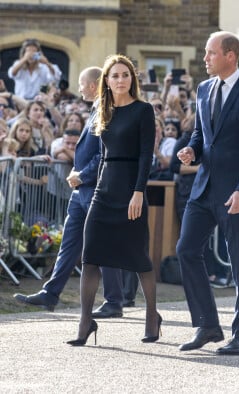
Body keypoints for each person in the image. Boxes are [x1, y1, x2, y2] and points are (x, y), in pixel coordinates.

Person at [176, 31, 239, 355]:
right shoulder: (204, 89)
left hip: (236, 192)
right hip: (203, 188)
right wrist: (191, 150)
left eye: (210, 53)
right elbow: (201, 136)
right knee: (186, 250)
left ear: (230, 55)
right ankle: (207, 325)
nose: (205, 59)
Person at [13, 67, 124, 315]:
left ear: (94, 85)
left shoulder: (107, 111)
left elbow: (104, 155)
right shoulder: (95, 109)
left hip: (94, 188)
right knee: (70, 244)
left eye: (82, 83)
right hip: (81, 190)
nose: (79, 87)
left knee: (103, 245)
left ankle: (115, 301)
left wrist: (81, 175)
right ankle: (50, 293)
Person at [67, 55, 160, 346]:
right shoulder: (102, 109)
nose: (120, 80)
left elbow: (146, 155)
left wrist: (138, 191)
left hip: (130, 190)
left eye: (125, 75)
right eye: (115, 75)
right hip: (103, 191)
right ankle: (85, 322)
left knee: (138, 257)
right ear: (106, 81)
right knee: (91, 255)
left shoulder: (143, 110)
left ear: (132, 78)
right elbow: (102, 155)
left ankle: (152, 316)